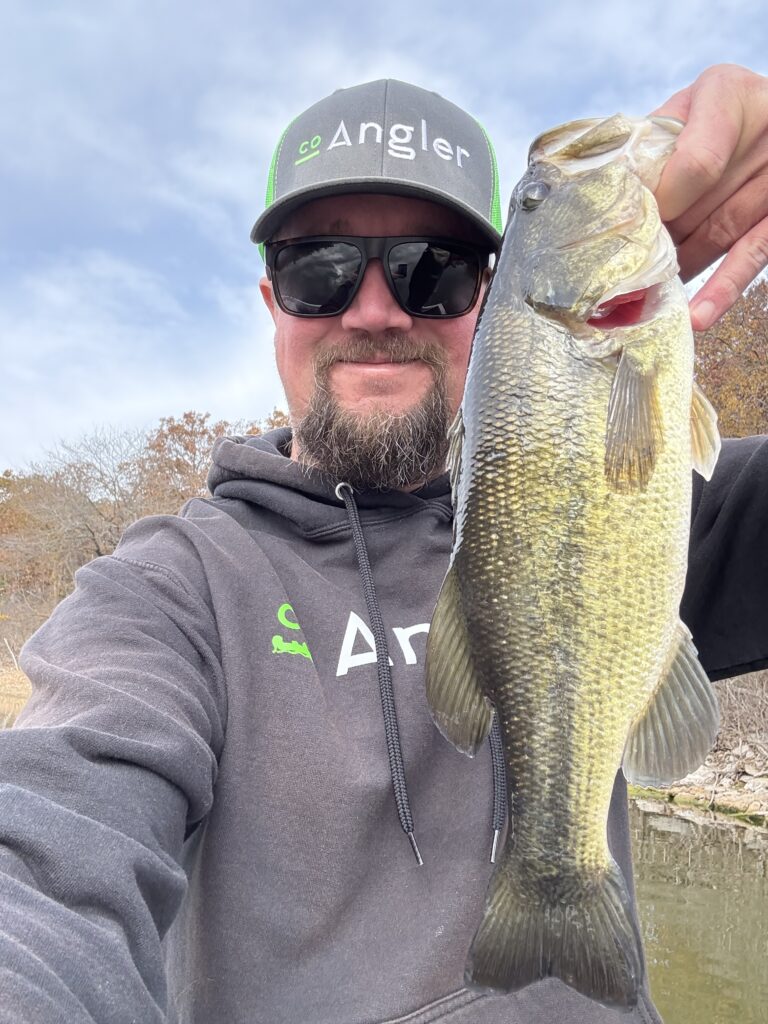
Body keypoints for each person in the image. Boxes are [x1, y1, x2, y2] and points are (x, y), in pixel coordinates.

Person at [1, 67, 767, 1024]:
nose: (375, 312)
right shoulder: (166, 597)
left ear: (488, 303)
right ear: (271, 302)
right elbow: (45, 856)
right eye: (317, 267)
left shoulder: (645, 502)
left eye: (430, 269)